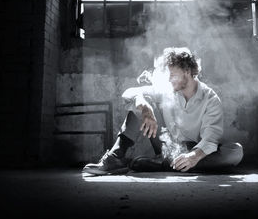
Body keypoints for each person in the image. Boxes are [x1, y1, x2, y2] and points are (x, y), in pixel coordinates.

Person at [83, 47, 243, 175]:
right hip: (168, 146)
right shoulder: (168, 88)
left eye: (172, 75)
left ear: (187, 71)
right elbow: (128, 93)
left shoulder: (211, 99)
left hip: (195, 150)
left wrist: (193, 156)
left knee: (235, 152)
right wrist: (144, 106)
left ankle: (168, 164)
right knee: (140, 100)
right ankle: (116, 158)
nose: (168, 79)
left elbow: (210, 139)